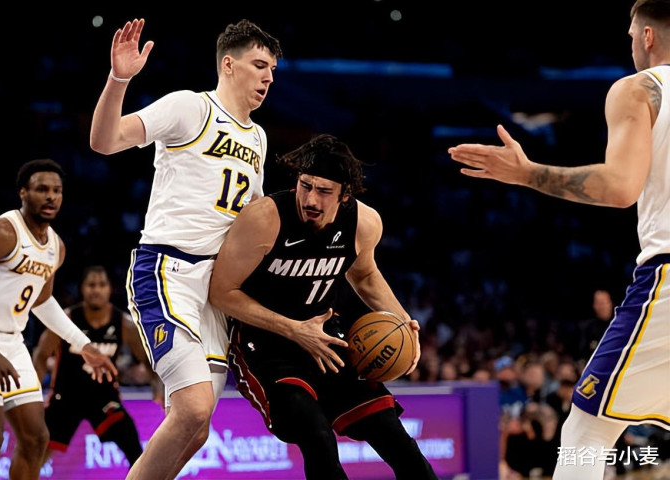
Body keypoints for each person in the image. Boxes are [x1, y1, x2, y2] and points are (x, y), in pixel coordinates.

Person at [448, 2, 670, 477]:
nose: (631, 43)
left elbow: (620, 188)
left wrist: (527, 173)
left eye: (631, 34)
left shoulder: (640, 88)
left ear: (648, 36)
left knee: (587, 429)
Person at [89, 17, 287, 480]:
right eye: (260, 65)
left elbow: (251, 220)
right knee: (194, 408)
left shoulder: (258, 137)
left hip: (216, 290)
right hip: (168, 272)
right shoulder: (190, 107)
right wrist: (119, 78)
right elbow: (104, 141)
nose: (268, 78)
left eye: (273, 71)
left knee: (195, 428)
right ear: (228, 64)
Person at [209, 134, 437, 480]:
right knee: (317, 435)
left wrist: (404, 321)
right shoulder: (265, 218)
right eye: (305, 186)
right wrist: (295, 330)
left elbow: (364, 274)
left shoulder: (363, 222)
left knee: (397, 440)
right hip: (265, 347)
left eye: (324, 191)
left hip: (327, 341)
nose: (311, 199)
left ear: (345, 194)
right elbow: (222, 292)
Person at [0, 159, 117, 480]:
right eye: (42, 189)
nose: (51, 196)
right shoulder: (2, 232)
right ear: (23, 193)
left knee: (37, 438)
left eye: (57, 190)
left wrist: (84, 346)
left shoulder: (56, 247)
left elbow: (41, 301)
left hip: (12, 342)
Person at [32, 265, 155, 469]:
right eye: (91, 285)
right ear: (82, 288)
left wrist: (159, 387)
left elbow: (148, 361)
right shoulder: (67, 319)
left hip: (104, 398)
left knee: (134, 448)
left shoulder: (124, 323)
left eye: (101, 285)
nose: (96, 290)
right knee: (35, 454)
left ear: (110, 289)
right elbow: (41, 355)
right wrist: (33, 394)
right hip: (66, 397)